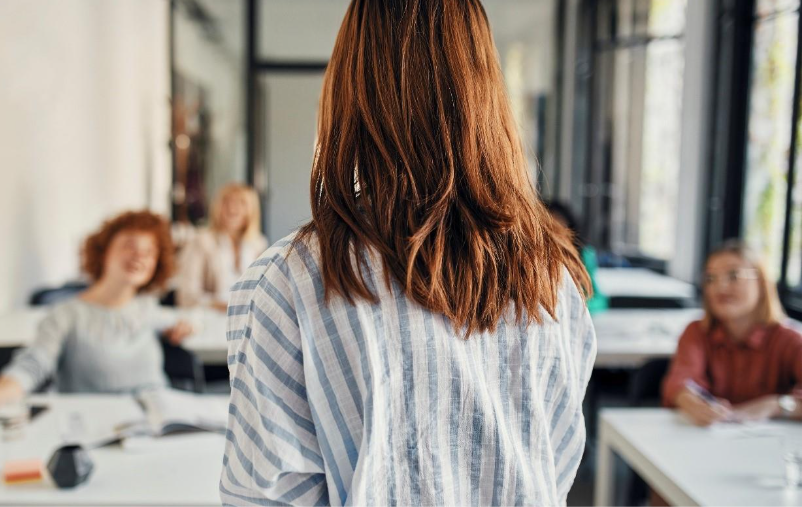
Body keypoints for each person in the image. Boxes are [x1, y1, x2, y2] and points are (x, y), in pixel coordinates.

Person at [220, 1, 597, 504]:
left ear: (348, 89)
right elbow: (555, 464)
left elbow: (267, 495)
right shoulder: (550, 275)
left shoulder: (289, 281)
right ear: (487, 90)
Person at [0, 211, 192, 423]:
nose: (139, 256)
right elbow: (33, 364)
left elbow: (189, 322)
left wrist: (184, 328)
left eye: (149, 252)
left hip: (157, 420)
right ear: (104, 251)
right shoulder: (67, 314)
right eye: (129, 246)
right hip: (93, 424)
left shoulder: (148, 309)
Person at [661, 240, 802, 426]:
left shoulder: (789, 339)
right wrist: (690, 401)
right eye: (710, 278)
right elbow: (680, 381)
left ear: (761, 282)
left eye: (734, 276)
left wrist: (775, 405)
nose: (720, 287)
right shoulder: (697, 332)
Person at [176, 183, 268, 312]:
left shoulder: (259, 244)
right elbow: (186, 296)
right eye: (226, 202)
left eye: (241, 203)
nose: (232, 208)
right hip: (210, 317)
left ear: (252, 210)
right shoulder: (201, 242)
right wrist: (221, 305)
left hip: (248, 318)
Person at [546, 200, 610, 313]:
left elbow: (598, 298)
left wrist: (577, 306)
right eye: (549, 225)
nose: (555, 231)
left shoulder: (583, 255)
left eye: (559, 224)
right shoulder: (537, 256)